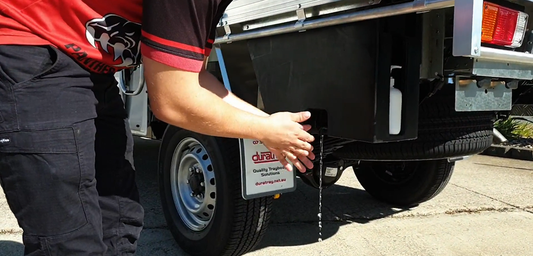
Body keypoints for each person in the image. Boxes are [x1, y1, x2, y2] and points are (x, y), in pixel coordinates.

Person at [0, 0, 316, 255]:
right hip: (28, 44)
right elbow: (173, 101)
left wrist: (268, 125)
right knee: (69, 240)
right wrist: (263, 131)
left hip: (90, 66)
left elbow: (189, 75)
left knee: (118, 220)